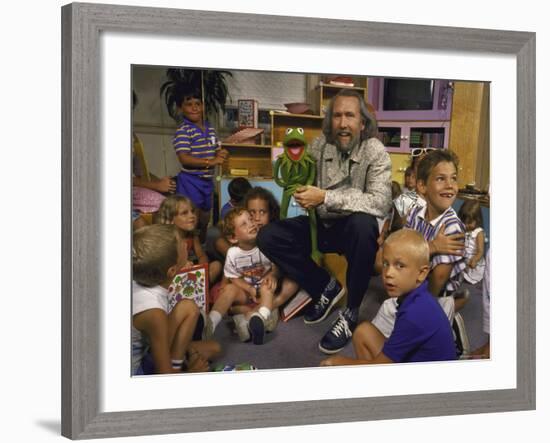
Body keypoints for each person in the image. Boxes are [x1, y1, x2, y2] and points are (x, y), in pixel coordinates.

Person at [257, 89, 392, 354]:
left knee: (364, 224)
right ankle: (325, 286)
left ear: (362, 123)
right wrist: (297, 186)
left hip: (354, 233)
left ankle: (351, 313)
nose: (343, 123)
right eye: (337, 116)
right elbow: (304, 176)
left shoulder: (375, 151)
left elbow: (380, 202)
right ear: (330, 121)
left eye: (350, 116)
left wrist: (326, 197)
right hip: (320, 226)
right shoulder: (320, 145)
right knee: (268, 236)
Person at [320, 229, 456, 367]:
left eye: (400, 265)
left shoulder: (415, 314)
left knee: (339, 363)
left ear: (421, 273)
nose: (388, 273)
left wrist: (337, 362)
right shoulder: (416, 297)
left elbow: (382, 367)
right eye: (386, 264)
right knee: (363, 332)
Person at [132, 224, 220, 375]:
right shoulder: (154, 312)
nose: (186, 245)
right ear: (171, 270)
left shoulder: (141, 280)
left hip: (148, 345)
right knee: (207, 351)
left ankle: (176, 362)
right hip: (135, 372)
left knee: (212, 347)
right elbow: (163, 375)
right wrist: (190, 372)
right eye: (182, 246)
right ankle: (178, 369)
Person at [208, 207, 299, 344]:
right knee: (228, 290)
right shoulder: (233, 253)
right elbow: (233, 277)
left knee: (266, 287)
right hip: (245, 292)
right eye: (244, 224)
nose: (251, 224)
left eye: (250, 219)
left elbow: (276, 267)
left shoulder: (265, 245)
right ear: (233, 238)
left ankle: (260, 317)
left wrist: (272, 275)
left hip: (263, 291)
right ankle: (210, 323)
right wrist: (248, 289)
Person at [172, 85, 228, 242]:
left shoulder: (209, 128)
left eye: (198, 103)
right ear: (180, 108)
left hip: (206, 181)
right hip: (190, 181)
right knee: (191, 219)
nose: (194, 108)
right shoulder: (183, 130)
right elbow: (184, 158)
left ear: (203, 106)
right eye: (189, 104)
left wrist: (220, 153)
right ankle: (189, 251)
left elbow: (216, 148)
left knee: (204, 218)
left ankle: (201, 248)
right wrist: (211, 161)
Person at [155, 195, 222, 285]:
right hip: (173, 277)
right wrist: (182, 267)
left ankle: (200, 287)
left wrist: (200, 270)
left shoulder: (192, 235)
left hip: (192, 272)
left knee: (217, 265)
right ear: (171, 218)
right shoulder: (166, 239)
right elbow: (164, 268)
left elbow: (201, 256)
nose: (192, 216)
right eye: (184, 213)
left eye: (192, 211)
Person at [215, 186, 281, 259]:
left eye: (262, 212)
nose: (257, 218)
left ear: (271, 214)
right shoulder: (242, 236)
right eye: (252, 212)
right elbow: (220, 241)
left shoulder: (275, 236)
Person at [457, 199, 486, 285]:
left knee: (470, 279)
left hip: (474, 260)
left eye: (469, 222)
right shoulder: (463, 229)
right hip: (464, 258)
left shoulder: (478, 232)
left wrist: (475, 259)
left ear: (477, 220)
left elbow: (480, 251)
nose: (466, 225)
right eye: (464, 222)